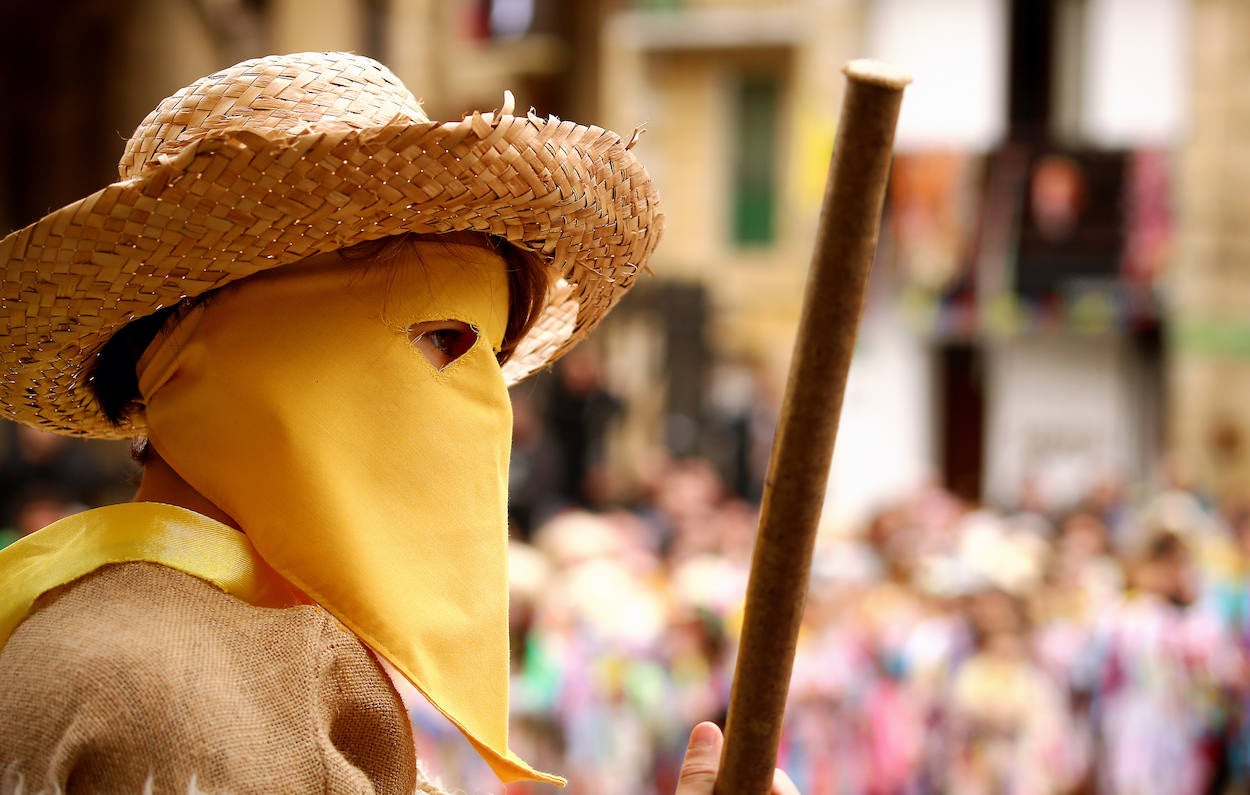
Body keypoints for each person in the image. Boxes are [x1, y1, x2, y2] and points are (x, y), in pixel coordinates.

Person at [0, 52, 798, 795]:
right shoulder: (145, 688)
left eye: (493, 354)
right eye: (442, 336)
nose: (489, 408)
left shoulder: (256, 644)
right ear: (249, 347)